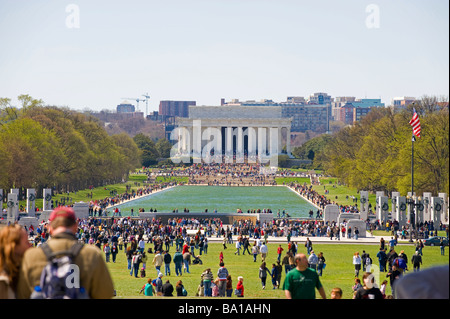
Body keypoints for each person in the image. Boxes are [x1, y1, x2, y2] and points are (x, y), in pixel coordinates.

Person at [17, 206, 115, 299]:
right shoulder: (92, 254)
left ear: (50, 227)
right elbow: (106, 293)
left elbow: (22, 293)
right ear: (76, 227)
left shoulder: (32, 256)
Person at [0, 224, 31, 299]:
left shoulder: (19, 272)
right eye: (26, 242)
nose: (30, 245)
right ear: (14, 247)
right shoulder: (3, 283)